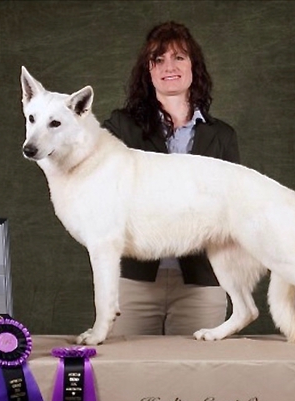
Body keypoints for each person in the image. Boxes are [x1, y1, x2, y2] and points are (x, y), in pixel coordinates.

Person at [102, 21, 240, 336]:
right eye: (158, 60)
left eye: (179, 57)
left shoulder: (222, 136)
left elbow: (230, 206)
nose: (169, 67)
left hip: (203, 281)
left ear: (194, 67)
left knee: (198, 380)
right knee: (126, 376)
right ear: (147, 72)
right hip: (132, 280)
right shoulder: (120, 126)